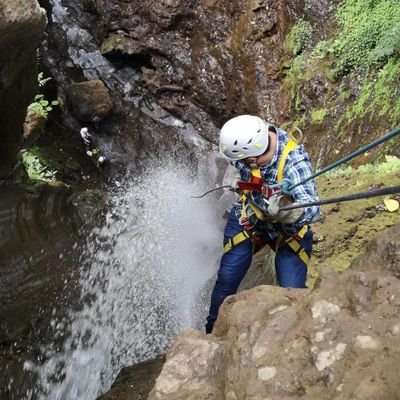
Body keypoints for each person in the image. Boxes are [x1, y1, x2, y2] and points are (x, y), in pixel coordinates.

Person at [206, 115, 320, 334]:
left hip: (289, 229)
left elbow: (313, 208)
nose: (244, 164)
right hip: (249, 214)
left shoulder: (294, 160)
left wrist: (291, 212)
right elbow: (236, 161)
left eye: (246, 161)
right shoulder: (246, 144)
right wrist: (237, 177)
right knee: (227, 279)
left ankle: (290, 340)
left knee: (293, 292)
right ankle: (211, 332)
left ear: (255, 155)